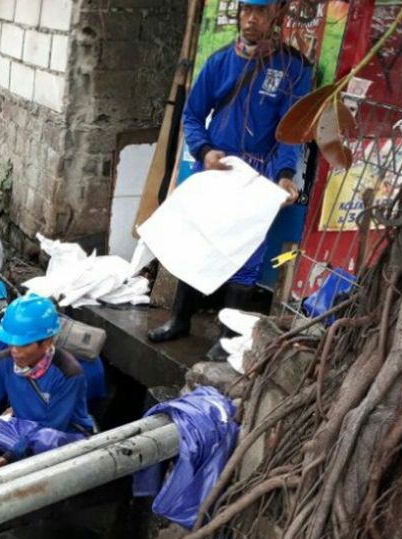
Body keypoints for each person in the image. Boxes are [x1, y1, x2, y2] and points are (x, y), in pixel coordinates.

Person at [149, 0, 311, 357]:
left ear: (275, 17)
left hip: (259, 175)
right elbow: (192, 115)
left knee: (247, 254)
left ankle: (225, 338)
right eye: (246, 11)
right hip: (217, 168)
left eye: (260, 11)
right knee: (199, 244)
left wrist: (285, 175)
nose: (251, 19)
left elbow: (291, 131)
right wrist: (204, 150)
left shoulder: (294, 69)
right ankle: (179, 320)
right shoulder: (220, 61)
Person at [0, 294, 96, 467]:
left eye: (23, 345)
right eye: (11, 342)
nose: (14, 351)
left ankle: (13, 461)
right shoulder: (2, 362)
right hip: (25, 430)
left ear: (46, 343)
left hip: (63, 437)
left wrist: (9, 456)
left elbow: (53, 426)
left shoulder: (68, 373)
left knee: (43, 440)